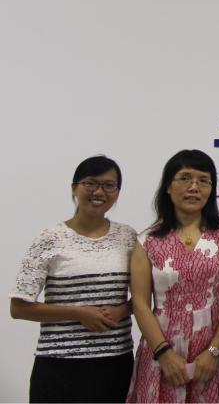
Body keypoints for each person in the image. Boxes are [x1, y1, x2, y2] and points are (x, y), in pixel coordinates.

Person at [10, 156, 136, 402]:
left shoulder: (128, 237)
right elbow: (19, 307)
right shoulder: (50, 238)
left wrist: (122, 310)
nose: (99, 191)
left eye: (108, 185)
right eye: (90, 183)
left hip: (115, 364)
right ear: (74, 188)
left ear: (117, 192)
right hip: (59, 367)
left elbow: (144, 298)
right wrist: (78, 313)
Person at [126, 149, 219, 403]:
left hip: (212, 352)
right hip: (161, 349)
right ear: (168, 187)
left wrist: (214, 350)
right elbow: (140, 303)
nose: (194, 187)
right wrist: (163, 353)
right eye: (185, 178)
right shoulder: (147, 241)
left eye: (203, 180)